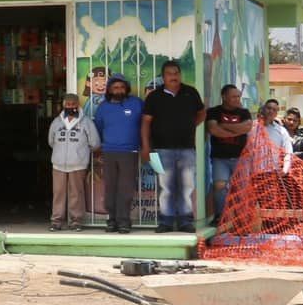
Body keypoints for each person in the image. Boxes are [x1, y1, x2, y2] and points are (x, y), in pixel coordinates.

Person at [139, 60, 204, 232]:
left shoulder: (191, 93)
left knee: (187, 186)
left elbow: (201, 113)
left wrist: (188, 126)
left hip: (187, 149)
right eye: (169, 74)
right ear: (163, 77)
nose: (173, 77)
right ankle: (166, 222)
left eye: (176, 73)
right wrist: (146, 147)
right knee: (166, 186)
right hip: (161, 149)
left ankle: (185, 221)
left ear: (180, 75)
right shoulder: (154, 96)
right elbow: (146, 123)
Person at [92, 74, 142, 233]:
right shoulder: (103, 107)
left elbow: (146, 124)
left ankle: (124, 221)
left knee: (125, 188)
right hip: (109, 152)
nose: (118, 90)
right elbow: (98, 128)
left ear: (126, 88)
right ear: (109, 90)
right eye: (115, 87)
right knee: (110, 188)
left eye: (121, 87)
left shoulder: (136, 103)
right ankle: (112, 220)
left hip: (129, 151)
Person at [46, 94, 99, 231]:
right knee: (58, 193)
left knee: (76, 193)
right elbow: (51, 142)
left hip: (78, 164)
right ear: (64, 106)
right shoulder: (57, 122)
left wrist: (80, 154)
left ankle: (75, 221)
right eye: (67, 104)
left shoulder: (86, 122)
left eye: (73, 104)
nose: (70, 107)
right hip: (58, 164)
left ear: (78, 105)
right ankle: (56, 221)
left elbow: (94, 143)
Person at [204, 84, 253, 223]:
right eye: (234, 96)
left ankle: (240, 220)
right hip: (220, 158)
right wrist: (236, 130)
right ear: (224, 97)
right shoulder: (213, 112)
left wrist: (224, 126)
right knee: (219, 186)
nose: (237, 99)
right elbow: (213, 130)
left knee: (241, 189)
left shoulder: (244, 112)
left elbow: (247, 127)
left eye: (238, 96)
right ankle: (221, 216)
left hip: (241, 158)